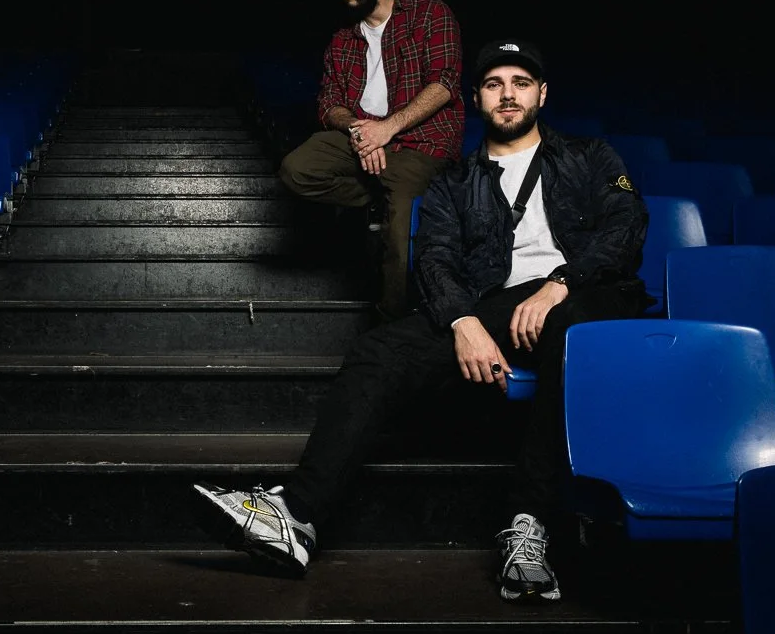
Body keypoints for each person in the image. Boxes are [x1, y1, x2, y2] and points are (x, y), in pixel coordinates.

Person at [195, 40, 652, 602]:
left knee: (569, 328)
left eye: (520, 82)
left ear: (542, 94)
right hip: (498, 306)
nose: (508, 94)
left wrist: (561, 284)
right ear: (477, 99)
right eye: (493, 84)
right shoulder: (452, 181)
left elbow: (625, 229)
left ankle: (529, 523)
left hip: (587, 297)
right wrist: (463, 320)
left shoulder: (590, 156)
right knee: (378, 350)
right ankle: (297, 516)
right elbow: (434, 257)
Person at [277, 0, 464, 320]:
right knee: (297, 170)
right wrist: (359, 129)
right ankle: (377, 195)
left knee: (400, 228)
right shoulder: (342, 39)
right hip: (362, 135)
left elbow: (444, 84)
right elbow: (329, 104)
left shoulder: (430, 13)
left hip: (419, 143)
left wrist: (387, 129)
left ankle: (390, 322)